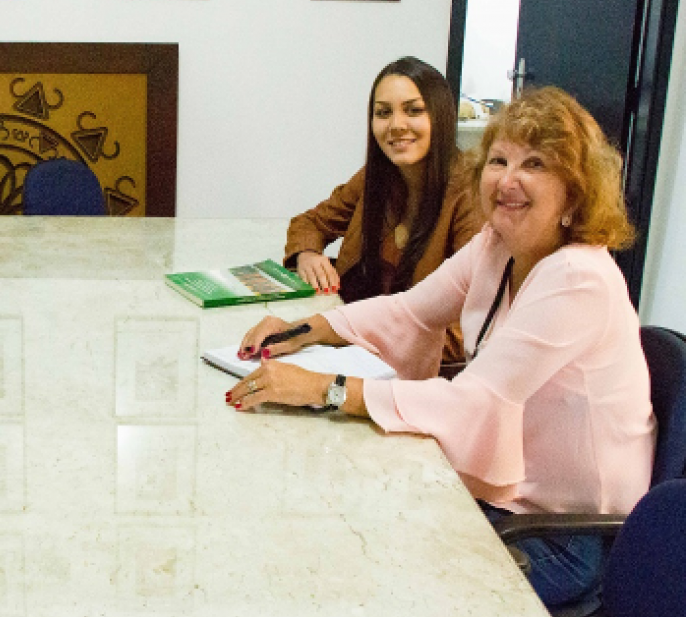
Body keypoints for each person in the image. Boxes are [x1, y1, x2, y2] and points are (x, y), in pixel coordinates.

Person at [228, 87, 655, 611]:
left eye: (535, 163)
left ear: (575, 192)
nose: (508, 179)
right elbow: (411, 310)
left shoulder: (579, 278)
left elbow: (474, 400)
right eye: (499, 160)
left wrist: (326, 389)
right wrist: (303, 328)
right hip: (512, 500)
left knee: (392, 590)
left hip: (569, 536)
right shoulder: (498, 245)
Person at [278, 56, 480, 365]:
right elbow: (310, 222)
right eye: (383, 113)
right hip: (350, 349)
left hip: (413, 377)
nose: (396, 125)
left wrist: (340, 335)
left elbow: (466, 330)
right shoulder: (375, 176)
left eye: (413, 111)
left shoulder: (469, 193)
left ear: (441, 116)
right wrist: (307, 254)